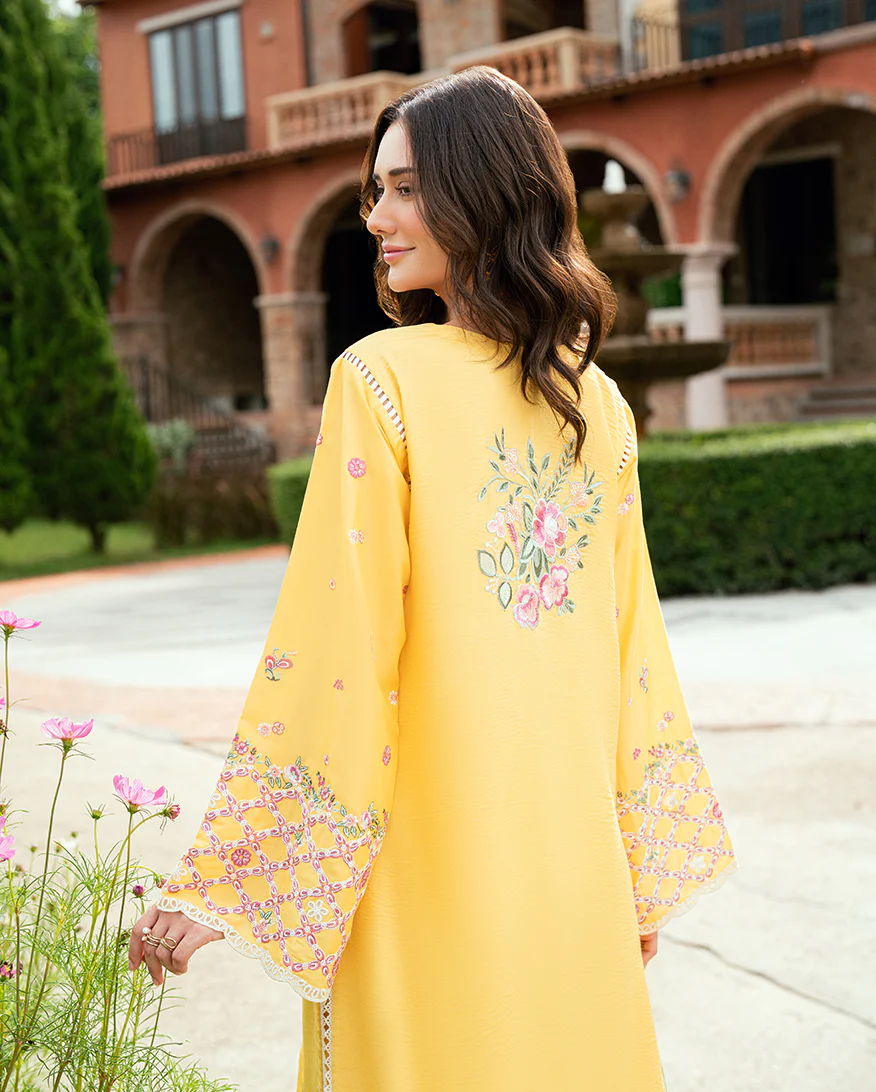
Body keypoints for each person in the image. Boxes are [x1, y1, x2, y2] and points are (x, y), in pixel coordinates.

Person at [130, 66, 737, 1091]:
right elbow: (638, 663)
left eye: (407, 189)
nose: (377, 217)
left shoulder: (380, 380)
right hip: (574, 869)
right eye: (377, 191)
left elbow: (338, 653)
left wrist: (234, 877)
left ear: (483, 193)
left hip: (425, 866)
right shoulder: (600, 405)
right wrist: (637, 870)